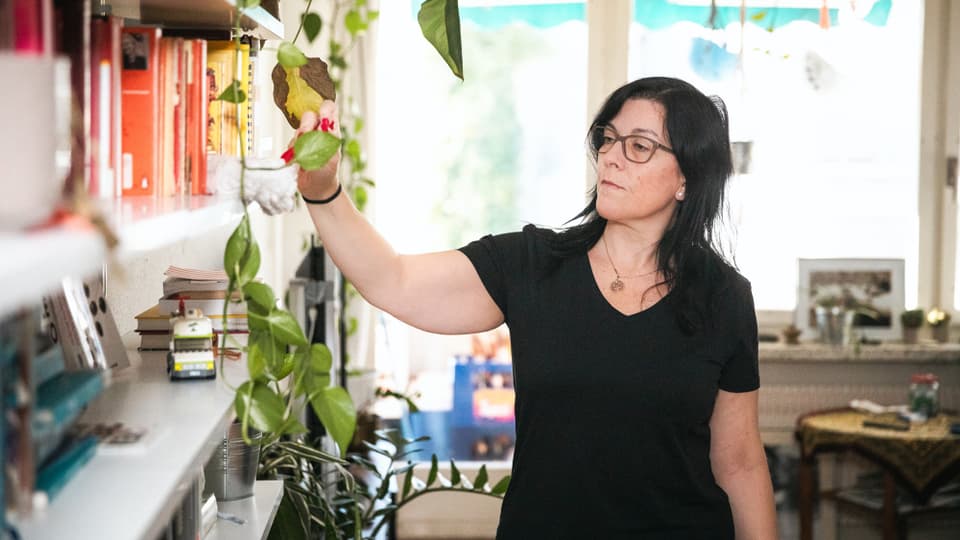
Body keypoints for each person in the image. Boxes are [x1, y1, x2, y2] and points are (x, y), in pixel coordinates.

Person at [295, 77, 778, 539]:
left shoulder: (724, 297)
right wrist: (323, 190)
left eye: (639, 146)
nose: (611, 157)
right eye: (608, 139)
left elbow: (738, 460)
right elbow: (392, 279)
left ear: (687, 179)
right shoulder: (531, 265)